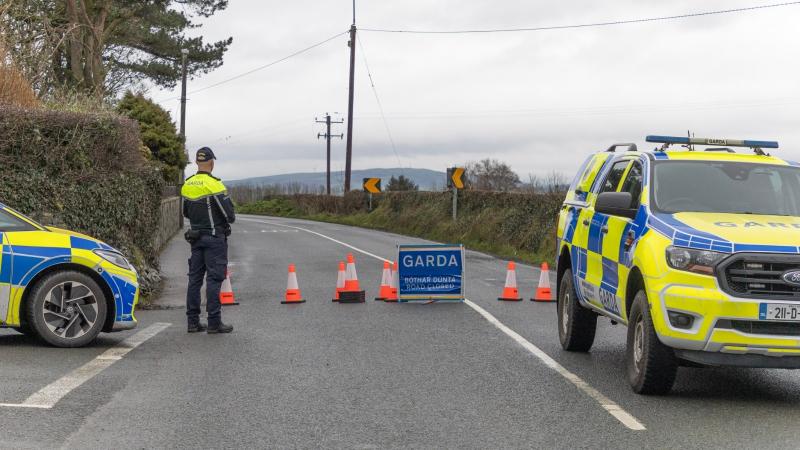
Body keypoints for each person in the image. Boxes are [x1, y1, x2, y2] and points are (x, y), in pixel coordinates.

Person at [181, 147, 236, 334]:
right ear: (212, 163)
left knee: (194, 280)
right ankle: (214, 322)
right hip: (214, 238)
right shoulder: (215, 185)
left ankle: (192, 322)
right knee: (214, 278)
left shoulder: (187, 184)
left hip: (195, 238)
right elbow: (229, 215)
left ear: (197, 162)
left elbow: (185, 212)